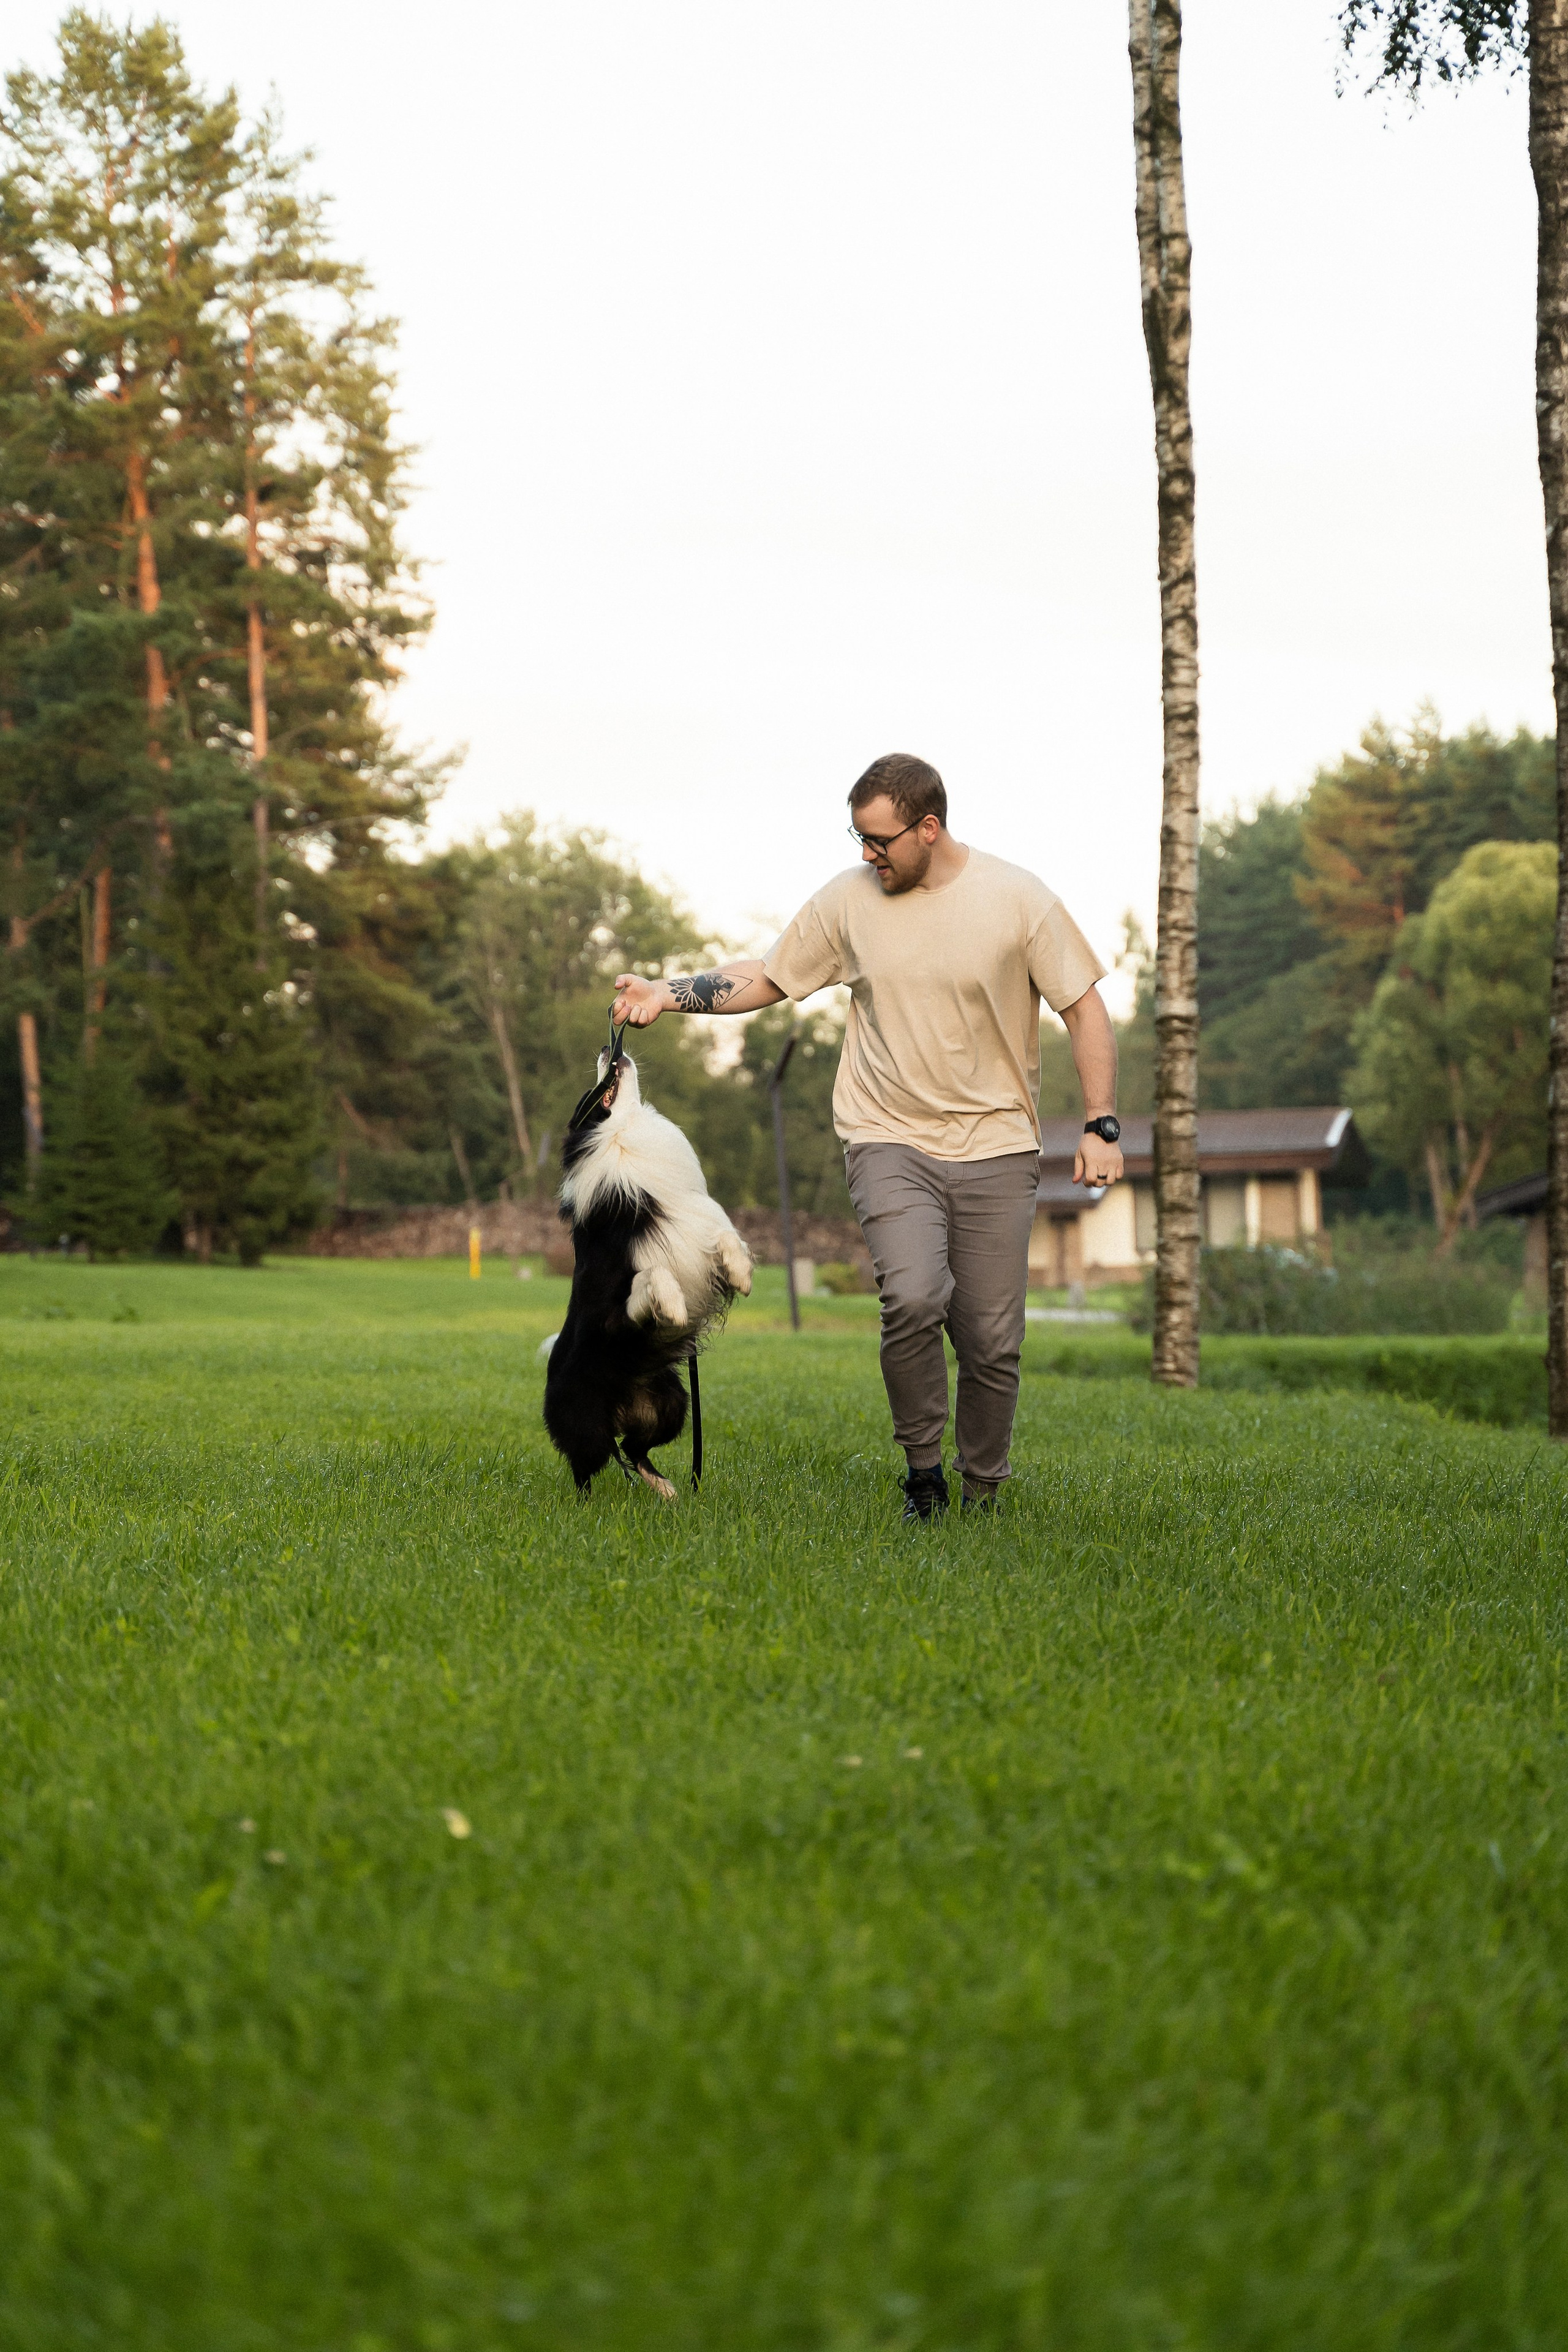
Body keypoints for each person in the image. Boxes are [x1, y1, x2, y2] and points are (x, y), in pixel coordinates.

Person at [611, 753, 1124, 1521]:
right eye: (857, 836)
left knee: (990, 1341)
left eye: (880, 840)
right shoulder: (850, 902)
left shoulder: (1018, 900)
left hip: (996, 1145)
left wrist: (1100, 1123)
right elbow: (770, 977)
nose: (866, 854)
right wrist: (666, 993)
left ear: (929, 827)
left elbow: (1084, 1010)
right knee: (913, 1299)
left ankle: (984, 1487)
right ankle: (923, 1478)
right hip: (886, 1136)